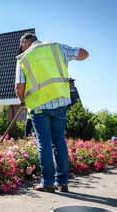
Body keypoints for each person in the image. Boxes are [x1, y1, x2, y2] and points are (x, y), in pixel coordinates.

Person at [15, 33, 89, 193]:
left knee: (44, 143)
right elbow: (84, 53)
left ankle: (48, 183)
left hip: (39, 106)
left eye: (22, 45)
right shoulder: (56, 47)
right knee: (59, 142)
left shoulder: (23, 58)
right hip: (60, 102)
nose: (22, 48)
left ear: (26, 42)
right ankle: (63, 183)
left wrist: (23, 101)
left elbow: (19, 87)